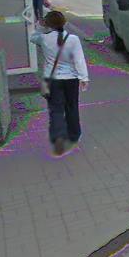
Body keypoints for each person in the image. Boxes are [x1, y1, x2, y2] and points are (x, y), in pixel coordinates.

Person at [31, 11, 89, 156]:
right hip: (71, 79)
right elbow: (79, 59)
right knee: (72, 107)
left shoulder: (43, 39)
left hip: (52, 80)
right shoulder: (73, 39)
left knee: (56, 109)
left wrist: (40, 26)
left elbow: (32, 37)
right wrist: (84, 78)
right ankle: (74, 135)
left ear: (48, 24)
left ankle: (58, 136)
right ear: (64, 22)